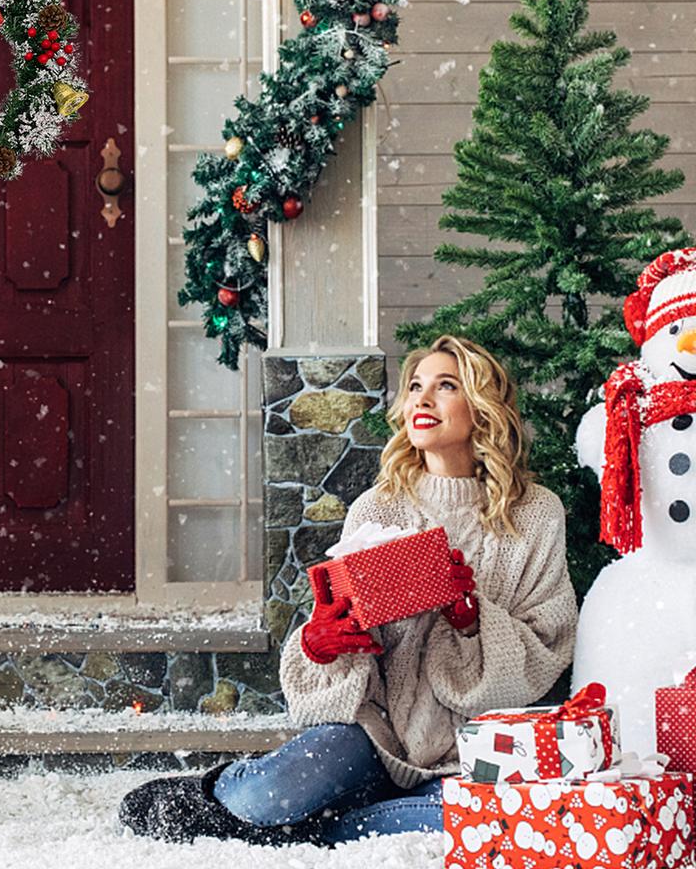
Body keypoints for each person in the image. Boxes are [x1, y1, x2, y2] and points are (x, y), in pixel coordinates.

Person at [119, 335, 578, 846]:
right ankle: (228, 795)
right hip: (373, 735)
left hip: (476, 752)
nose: (420, 401)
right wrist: (324, 644)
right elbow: (342, 645)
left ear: (483, 407)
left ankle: (312, 831)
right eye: (414, 387)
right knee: (268, 796)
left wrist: (472, 621)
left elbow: (547, 647)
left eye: (445, 386)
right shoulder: (376, 509)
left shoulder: (535, 513)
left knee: (477, 828)